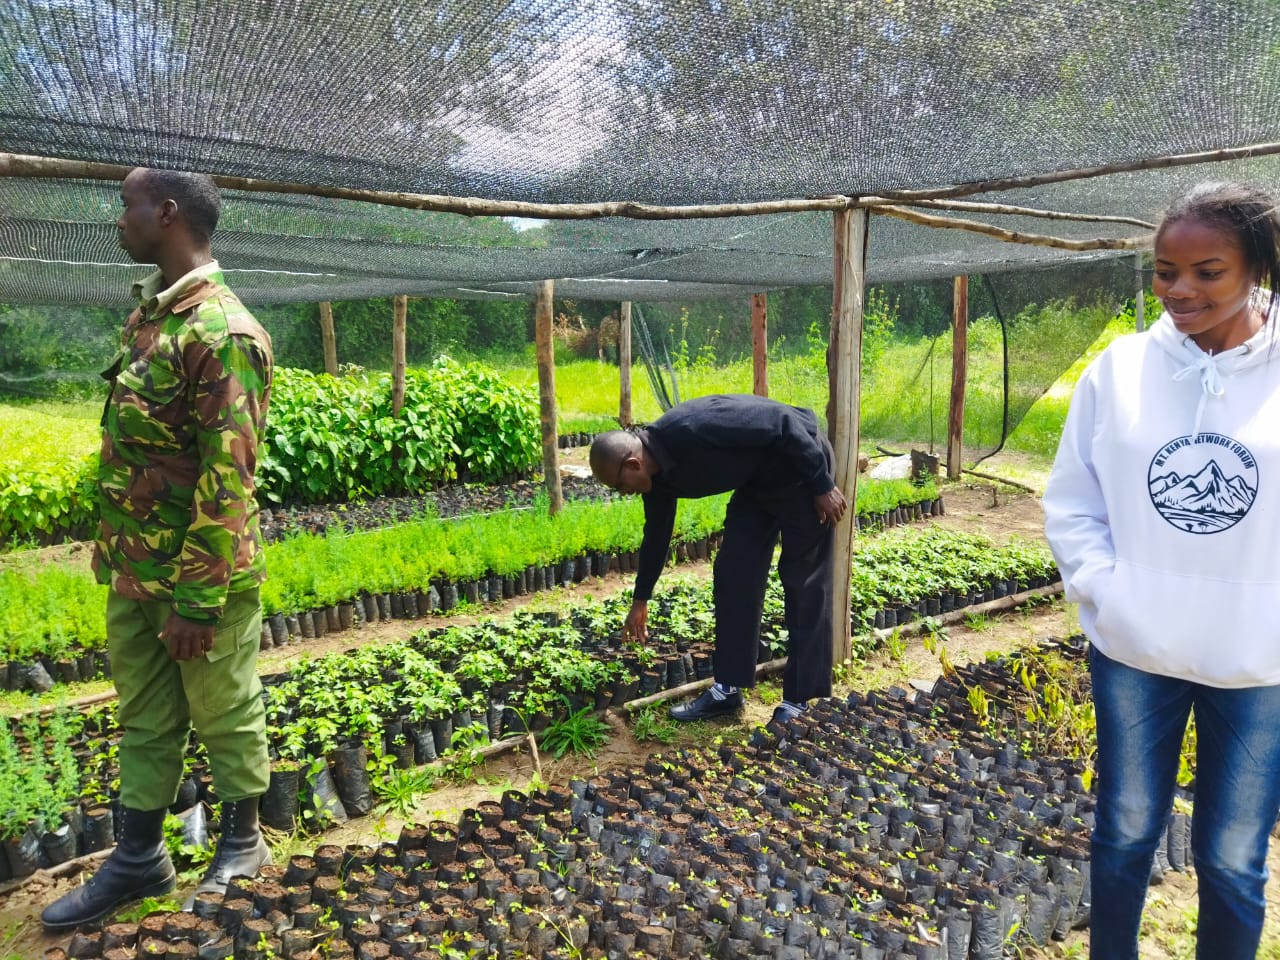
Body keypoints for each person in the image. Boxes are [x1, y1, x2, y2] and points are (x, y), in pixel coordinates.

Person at [1043, 181, 1280, 959]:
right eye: (1165, 271)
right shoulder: (1120, 369)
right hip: (1136, 650)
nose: (1179, 290)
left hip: (1260, 661)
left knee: (1233, 859)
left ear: (1257, 268)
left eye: (1207, 272)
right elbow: (1073, 498)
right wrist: (1108, 593)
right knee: (1123, 834)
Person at [42, 169, 275, 931]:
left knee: (223, 711)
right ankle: (139, 856)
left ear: (167, 213)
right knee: (144, 716)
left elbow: (228, 476)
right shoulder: (152, 317)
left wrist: (198, 599)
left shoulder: (223, 333)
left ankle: (242, 845)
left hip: (197, 579)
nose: (119, 218)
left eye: (127, 205)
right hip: (135, 570)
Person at [589, 394, 847, 724]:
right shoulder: (658, 480)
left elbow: (784, 423)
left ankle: (798, 701)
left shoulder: (691, 427)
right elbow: (656, 536)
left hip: (800, 466)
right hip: (757, 480)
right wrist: (641, 599)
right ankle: (727, 690)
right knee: (733, 573)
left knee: (804, 581)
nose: (624, 493)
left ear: (633, 465)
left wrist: (821, 484)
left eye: (619, 486)